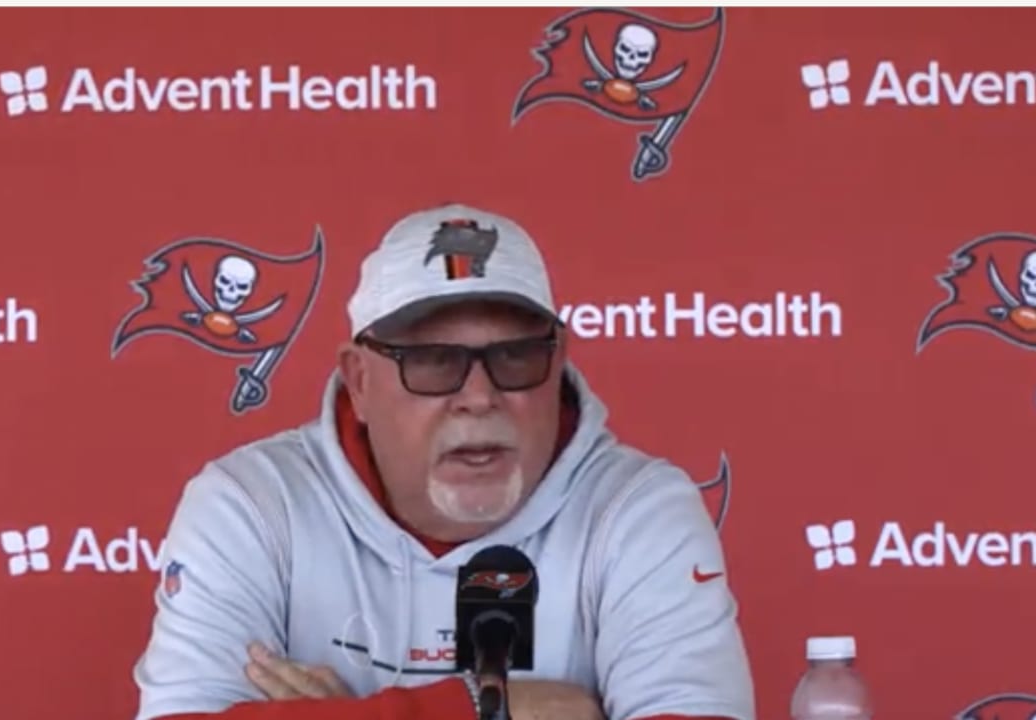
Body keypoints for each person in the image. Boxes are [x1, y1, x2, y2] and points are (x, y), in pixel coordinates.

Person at [131, 203, 756, 720]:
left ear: (558, 360)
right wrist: (470, 710)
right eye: (433, 361)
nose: (480, 397)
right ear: (360, 380)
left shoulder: (637, 507)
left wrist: (350, 713)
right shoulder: (253, 503)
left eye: (514, 358)